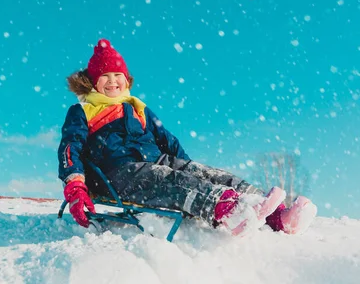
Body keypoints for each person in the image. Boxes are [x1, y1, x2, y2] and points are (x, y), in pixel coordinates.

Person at [57, 39, 317, 236]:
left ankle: (273, 214)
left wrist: (192, 169)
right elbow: (71, 148)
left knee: (207, 173)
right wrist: (76, 187)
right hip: (117, 173)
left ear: (127, 81)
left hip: (155, 160)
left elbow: (167, 140)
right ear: (93, 82)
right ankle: (231, 211)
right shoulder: (84, 110)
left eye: (118, 76)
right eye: (105, 76)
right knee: (171, 180)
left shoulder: (138, 107)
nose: (113, 82)